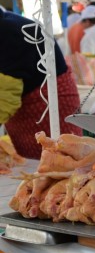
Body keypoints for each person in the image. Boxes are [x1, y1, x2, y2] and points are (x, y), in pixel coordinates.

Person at [0, 9, 82, 158]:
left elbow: (5, 97)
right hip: (24, 106)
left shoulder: (8, 32)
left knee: (61, 164)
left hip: (48, 105)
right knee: (30, 171)